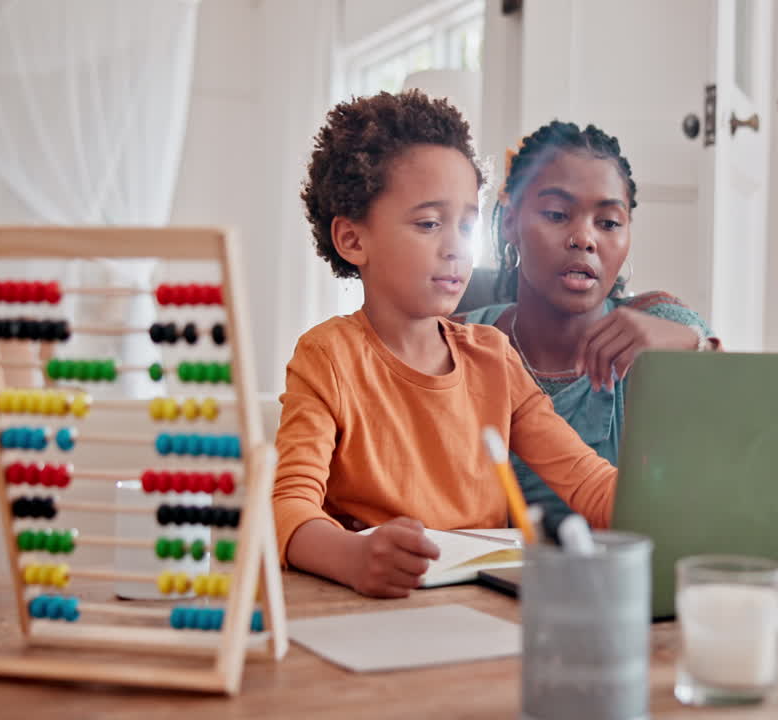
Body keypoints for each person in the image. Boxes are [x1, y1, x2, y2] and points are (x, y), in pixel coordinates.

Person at [274, 93, 617, 598]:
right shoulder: (327, 357)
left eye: (467, 224)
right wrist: (354, 557)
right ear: (352, 239)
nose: (456, 245)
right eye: (429, 223)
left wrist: (684, 505)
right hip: (372, 604)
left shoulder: (493, 357)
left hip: (483, 603)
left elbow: (589, 484)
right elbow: (289, 506)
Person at [460, 121, 718, 521]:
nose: (584, 238)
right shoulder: (461, 339)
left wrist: (689, 341)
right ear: (510, 222)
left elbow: (737, 433)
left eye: (609, 222)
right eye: (557, 214)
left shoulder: (660, 325)